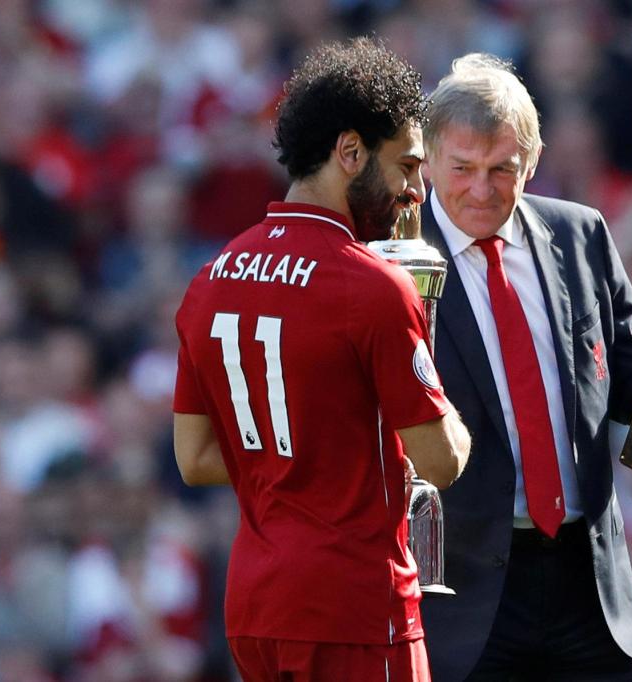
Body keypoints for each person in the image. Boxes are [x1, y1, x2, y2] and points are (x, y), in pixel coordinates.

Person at [417, 53, 632, 681]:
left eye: (501, 169)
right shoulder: (394, 262)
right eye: (462, 169)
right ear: (427, 160)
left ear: (532, 163)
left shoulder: (580, 233)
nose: (481, 190)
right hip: (464, 592)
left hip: (590, 582)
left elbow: (625, 366)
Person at [172, 38, 470, 682]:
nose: (415, 191)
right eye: (407, 166)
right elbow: (441, 461)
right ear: (350, 152)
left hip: (255, 606)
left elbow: (194, 458)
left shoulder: (211, 277)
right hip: (355, 610)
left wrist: (309, 456)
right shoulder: (371, 287)